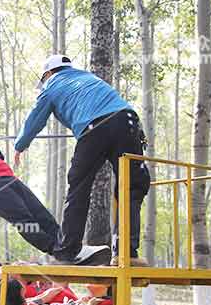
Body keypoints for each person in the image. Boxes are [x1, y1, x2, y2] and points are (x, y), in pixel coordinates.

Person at [14, 54, 151, 266]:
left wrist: (19, 146)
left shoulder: (50, 86)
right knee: (131, 187)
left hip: (92, 130)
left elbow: (35, 119)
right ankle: (126, 253)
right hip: (127, 121)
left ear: (49, 73)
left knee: (78, 188)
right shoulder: (90, 78)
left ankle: (68, 250)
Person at [0, 113, 110, 266]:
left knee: (41, 213)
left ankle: (69, 247)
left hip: (8, 178)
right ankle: (57, 251)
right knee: (25, 219)